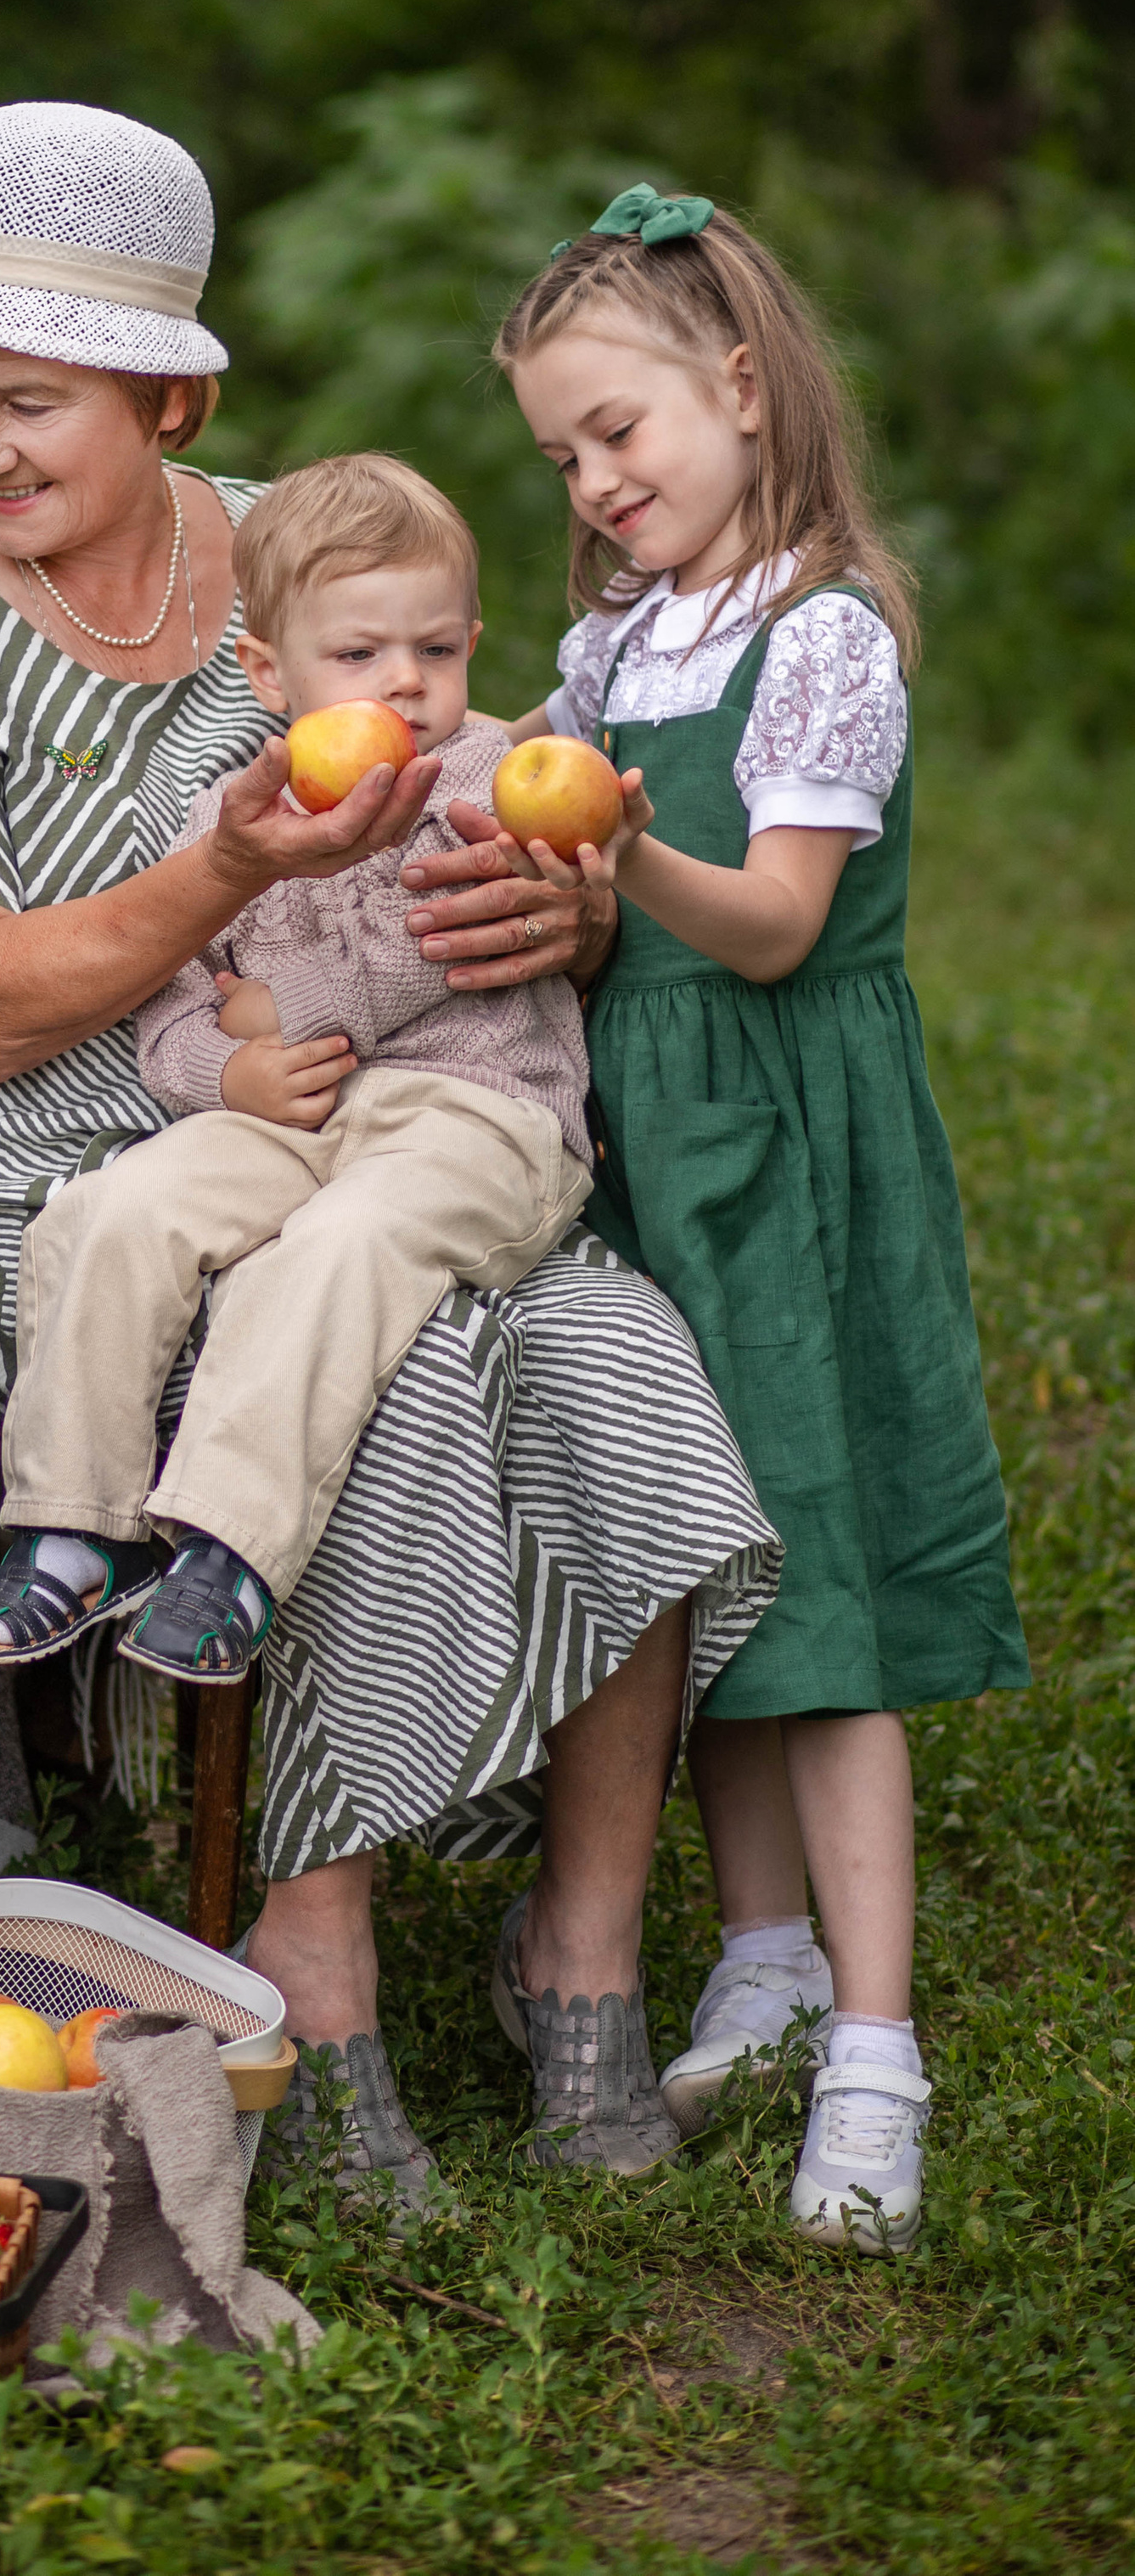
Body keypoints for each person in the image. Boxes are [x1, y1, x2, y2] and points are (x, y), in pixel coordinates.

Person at [0, 99, 781, 2203]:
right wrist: (218, 862)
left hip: (376, 1134)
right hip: (4, 1191)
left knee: (611, 1338)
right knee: (407, 1364)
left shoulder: (306, 562)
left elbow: (505, 794)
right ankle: (309, 1952)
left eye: (29, 402)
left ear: (174, 396)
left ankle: (575, 1950)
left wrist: (561, 910)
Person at [491, 183, 1028, 2253]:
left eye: (615, 431)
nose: (593, 483)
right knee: (700, 1560)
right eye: (560, 456)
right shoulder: (610, 651)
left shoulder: (821, 633)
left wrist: (616, 864)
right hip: (643, 1137)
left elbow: (782, 924)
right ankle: (763, 1953)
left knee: (825, 1562)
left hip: (782, 1139)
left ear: (736, 384)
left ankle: (877, 2047)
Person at [0, 452, 591, 1684]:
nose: (405, 685)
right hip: (295, 1117)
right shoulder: (230, 825)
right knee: (113, 1210)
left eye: (436, 650)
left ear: (473, 645)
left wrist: (276, 1005)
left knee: (337, 1246)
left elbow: (436, 947)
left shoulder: (485, 778)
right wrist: (230, 1070)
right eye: (359, 659)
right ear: (272, 674)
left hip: (476, 1115)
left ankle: (229, 1550)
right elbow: (168, 1019)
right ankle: (71, 1528)